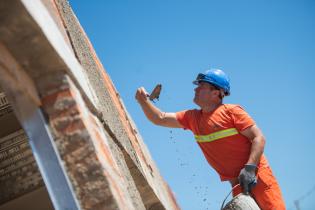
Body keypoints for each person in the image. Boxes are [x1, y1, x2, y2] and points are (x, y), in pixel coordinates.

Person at [135, 69, 285, 209]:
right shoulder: (193, 118)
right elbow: (160, 118)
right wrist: (144, 102)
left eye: (201, 86)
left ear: (216, 93)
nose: (195, 89)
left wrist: (250, 168)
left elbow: (259, 138)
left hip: (257, 178)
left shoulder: (231, 111)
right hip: (237, 185)